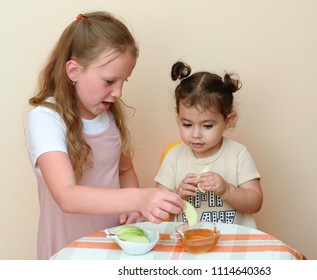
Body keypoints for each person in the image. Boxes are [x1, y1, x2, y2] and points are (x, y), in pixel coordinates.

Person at [25, 11, 184, 260]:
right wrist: (139, 198)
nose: (118, 92)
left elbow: (124, 170)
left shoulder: (111, 115)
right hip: (67, 253)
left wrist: (134, 210)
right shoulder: (46, 118)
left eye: (123, 81)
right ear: (74, 71)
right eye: (109, 81)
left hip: (114, 249)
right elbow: (66, 195)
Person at [155, 61, 263, 228]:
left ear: (228, 120)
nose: (196, 135)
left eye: (207, 126)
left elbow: (255, 203)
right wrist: (178, 195)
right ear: (178, 116)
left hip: (233, 245)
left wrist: (227, 190)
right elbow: (158, 208)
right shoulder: (173, 158)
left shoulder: (238, 154)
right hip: (188, 245)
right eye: (187, 124)